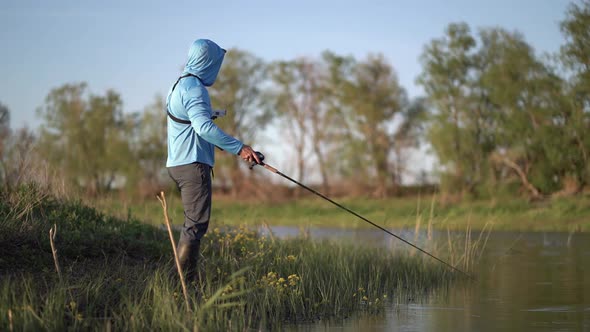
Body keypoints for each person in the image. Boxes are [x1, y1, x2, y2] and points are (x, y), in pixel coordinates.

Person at [166, 39, 261, 283]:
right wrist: (241, 149)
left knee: (193, 225)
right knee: (195, 226)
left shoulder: (179, 85)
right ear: (206, 63)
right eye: (216, 64)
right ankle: (181, 286)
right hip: (192, 165)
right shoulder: (195, 89)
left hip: (178, 164)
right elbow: (203, 127)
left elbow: (195, 127)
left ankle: (181, 283)